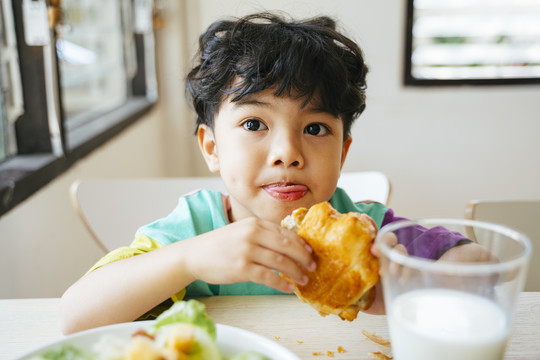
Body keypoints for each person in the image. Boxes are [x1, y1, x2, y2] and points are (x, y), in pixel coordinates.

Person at [60, 12, 488, 334]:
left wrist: (413, 284)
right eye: (254, 125)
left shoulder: (368, 231)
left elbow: (480, 268)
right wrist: (187, 260)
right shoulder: (191, 232)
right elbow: (76, 316)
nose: (287, 153)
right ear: (212, 147)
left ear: (343, 151)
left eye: (315, 128)